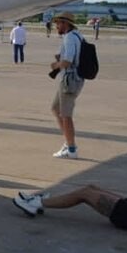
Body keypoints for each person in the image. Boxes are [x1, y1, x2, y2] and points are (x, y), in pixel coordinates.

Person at [49, 11, 84, 159]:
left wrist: (56, 65)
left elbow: (67, 61)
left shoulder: (70, 38)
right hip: (70, 78)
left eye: (58, 23)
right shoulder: (76, 35)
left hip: (70, 80)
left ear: (65, 24)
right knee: (56, 108)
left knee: (65, 115)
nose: (56, 26)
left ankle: (71, 148)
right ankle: (68, 142)